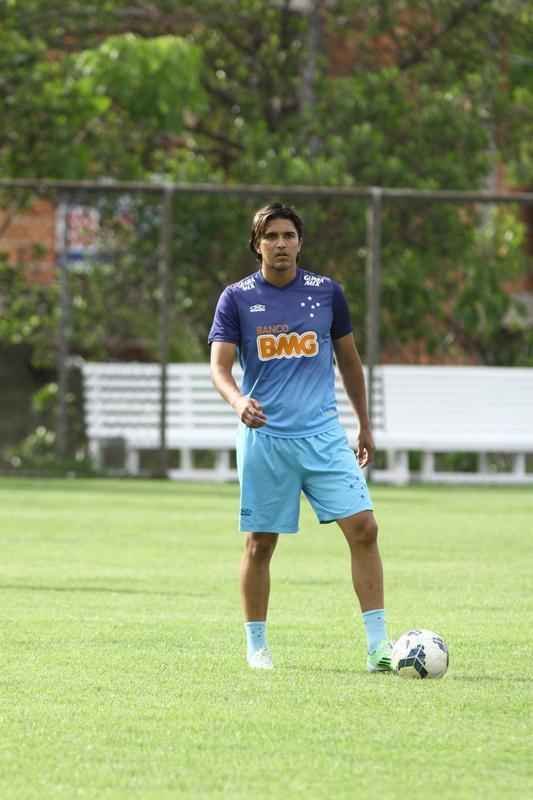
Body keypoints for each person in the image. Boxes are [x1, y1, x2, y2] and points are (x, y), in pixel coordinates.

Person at [208, 202, 392, 672]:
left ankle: (378, 649)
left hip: (323, 436)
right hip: (266, 438)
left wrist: (364, 423)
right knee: (261, 543)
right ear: (257, 245)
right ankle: (257, 646)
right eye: (271, 236)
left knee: (365, 529)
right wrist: (237, 402)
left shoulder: (326, 293)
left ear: (300, 242)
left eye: (289, 235)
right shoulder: (237, 298)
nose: (281, 244)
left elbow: (349, 361)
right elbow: (220, 367)